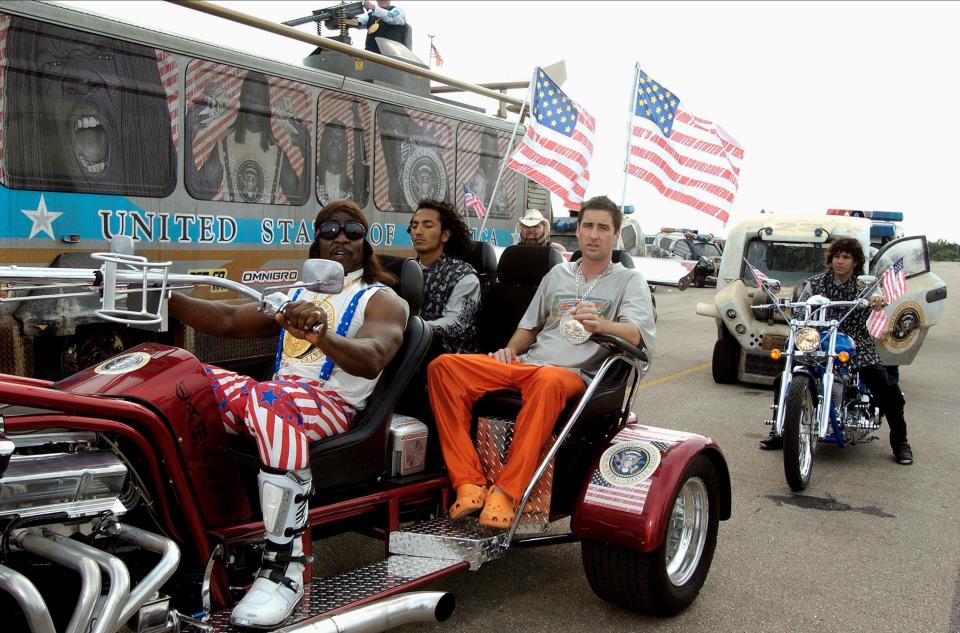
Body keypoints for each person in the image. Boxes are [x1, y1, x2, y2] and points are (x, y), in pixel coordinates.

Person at [168, 200, 407, 628]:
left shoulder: (382, 299)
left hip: (332, 404)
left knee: (271, 403)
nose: (341, 236)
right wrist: (163, 295)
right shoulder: (295, 295)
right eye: (330, 228)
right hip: (275, 397)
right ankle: (181, 537)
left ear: (365, 241)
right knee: (178, 376)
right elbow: (224, 318)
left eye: (353, 230)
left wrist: (322, 334)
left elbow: (372, 357)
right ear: (316, 238)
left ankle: (284, 566)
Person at [428, 195, 656, 528]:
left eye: (603, 228)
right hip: (529, 364)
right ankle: (469, 482)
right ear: (577, 232)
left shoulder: (628, 280)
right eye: (588, 226)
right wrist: (510, 350)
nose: (594, 234)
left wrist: (601, 324)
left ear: (616, 236)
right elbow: (529, 327)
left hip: (573, 374)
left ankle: (507, 492)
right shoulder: (558, 275)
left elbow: (636, 334)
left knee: (547, 379)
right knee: (444, 368)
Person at [759, 237, 913, 465]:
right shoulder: (816, 283)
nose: (840, 261)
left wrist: (877, 299)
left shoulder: (864, 285)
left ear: (855, 261)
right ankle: (781, 429)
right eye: (837, 256)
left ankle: (900, 442)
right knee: (785, 377)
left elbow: (877, 293)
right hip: (819, 340)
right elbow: (801, 311)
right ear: (830, 259)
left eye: (846, 257)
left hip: (855, 342)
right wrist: (795, 313)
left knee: (886, 388)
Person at [409, 199, 481, 354]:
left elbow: (456, 323)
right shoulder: (405, 270)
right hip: (410, 347)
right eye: (414, 226)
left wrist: (412, 327)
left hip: (452, 356)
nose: (418, 231)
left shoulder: (464, 275)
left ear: (445, 235)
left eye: (427, 225)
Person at [330, 1, 407, 55]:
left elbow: (390, 17)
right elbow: (359, 21)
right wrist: (343, 17)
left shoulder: (398, 12)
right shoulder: (370, 15)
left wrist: (373, 7)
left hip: (391, 59)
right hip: (370, 57)